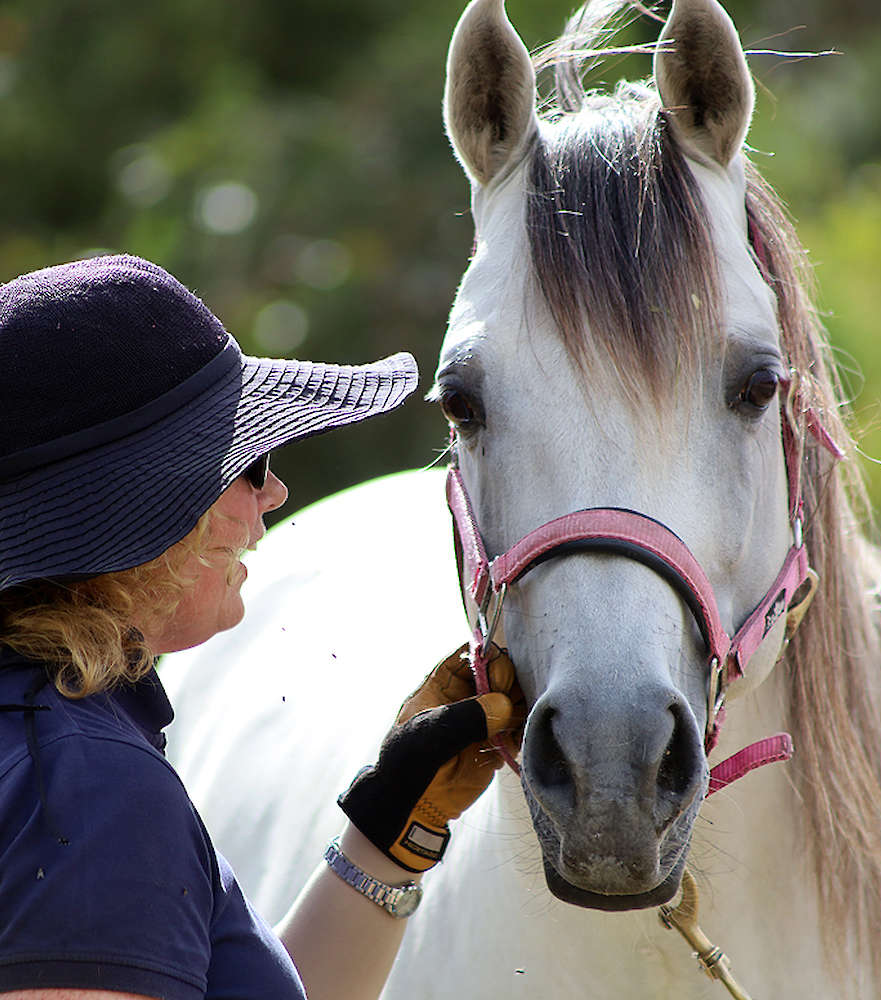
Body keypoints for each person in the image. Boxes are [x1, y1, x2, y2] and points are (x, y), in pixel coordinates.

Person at [0, 254, 524, 1000]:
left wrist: (387, 836)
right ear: (153, 511)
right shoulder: (88, 792)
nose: (274, 490)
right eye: (248, 461)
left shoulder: (45, 747)